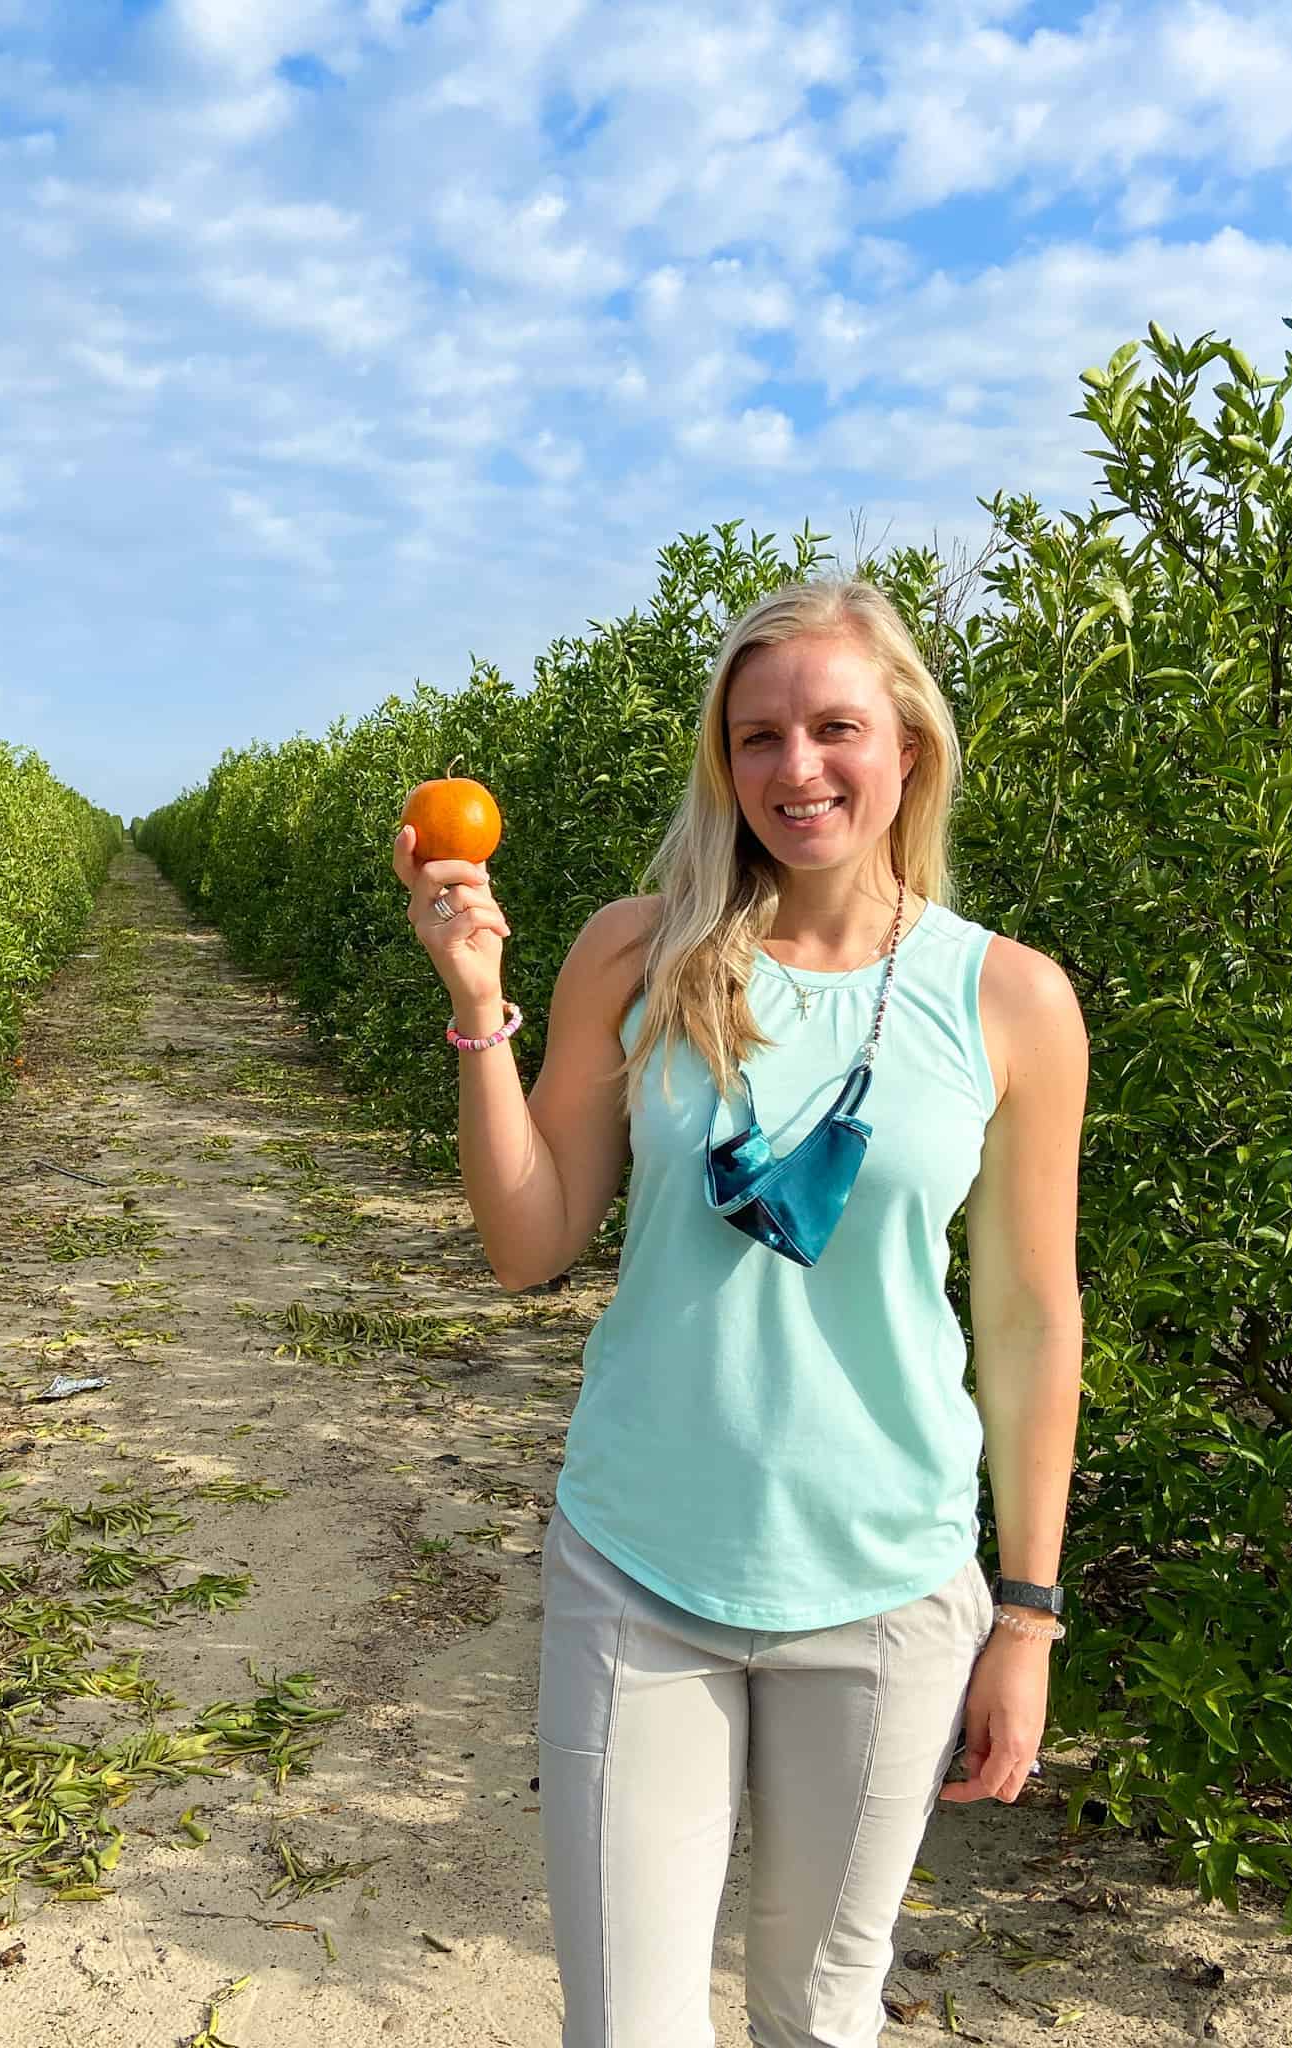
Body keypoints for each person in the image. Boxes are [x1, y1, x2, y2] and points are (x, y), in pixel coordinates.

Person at [391, 577, 1088, 2048]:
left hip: (890, 1589)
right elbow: (529, 1244)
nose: (797, 769)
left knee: (817, 2020)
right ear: (724, 761)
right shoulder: (635, 952)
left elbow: (1030, 1318)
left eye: (836, 728)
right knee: (627, 2029)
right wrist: (476, 1002)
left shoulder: (1009, 998)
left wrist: (1025, 1615)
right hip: (641, 1563)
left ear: (909, 748)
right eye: (758, 736)